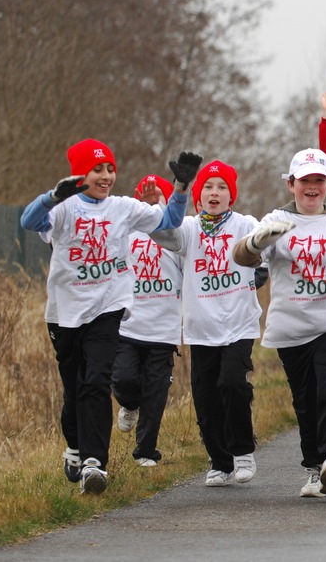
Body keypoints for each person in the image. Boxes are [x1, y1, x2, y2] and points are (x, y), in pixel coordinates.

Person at [20, 139, 199, 494]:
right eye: (97, 169)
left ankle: (94, 464)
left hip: (108, 306)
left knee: (97, 380)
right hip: (65, 312)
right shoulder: (65, 208)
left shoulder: (123, 208)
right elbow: (29, 221)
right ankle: (74, 445)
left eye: (110, 169)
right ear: (80, 173)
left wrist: (180, 188)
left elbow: (170, 220)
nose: (105, 176)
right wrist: (52, 196)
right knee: (74, 387)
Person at [232, 148, 326, 498]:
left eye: (319, 181)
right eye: (305, 180)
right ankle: (314, 469)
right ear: (292, 184)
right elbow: (243, 257)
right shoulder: (276, 218)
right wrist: (257, 241)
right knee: (305, 399)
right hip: (291, 326)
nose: (312, 187)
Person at [151, 159, 264, 486]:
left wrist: (262, 257)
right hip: (201, 328)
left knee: (232, 383)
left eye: (222, 187)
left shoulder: (244, 224)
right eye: (208, 188)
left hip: (239, 323)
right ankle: (220, 461)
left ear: (232, 195)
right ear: (199, 197)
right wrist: (179, 189)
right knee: (205, 395)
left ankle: (242, 451)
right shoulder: (188, 229)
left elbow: (263, 242)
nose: (215, 193)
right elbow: (161, 232)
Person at [113, 175, 183, 470]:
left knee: (155, 394)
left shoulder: (177, 237)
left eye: (159, 196)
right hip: (128, 326)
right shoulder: (124, 232)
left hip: (163, 331)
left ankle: (146, 451)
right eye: (146, 195)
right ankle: (129, 404)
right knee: (124, 380)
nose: (152, 200)